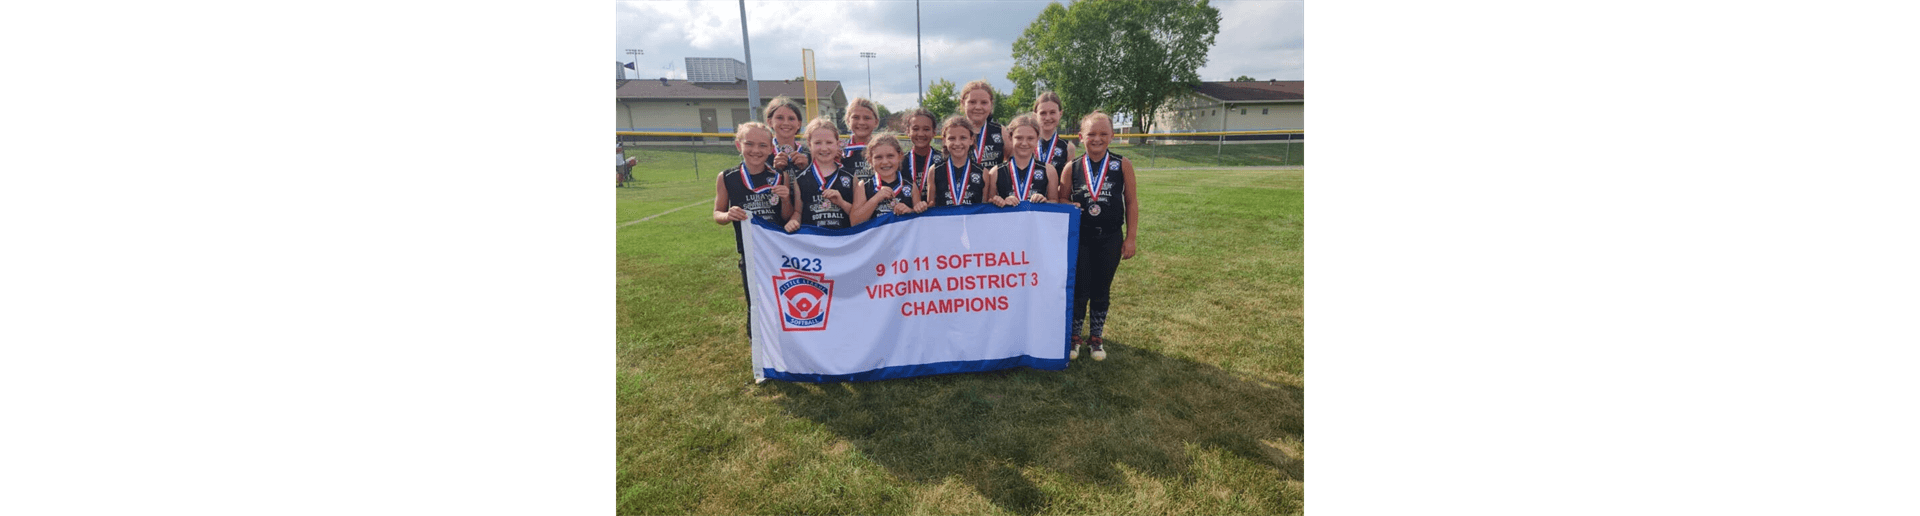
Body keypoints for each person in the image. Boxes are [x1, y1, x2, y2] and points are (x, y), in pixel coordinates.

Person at [1061, 111, 1140, 361]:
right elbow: (1062, 197)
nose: (1097, 138)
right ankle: (1074, 338)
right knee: (1080, 288)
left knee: (1101, 289)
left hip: (1110, 237)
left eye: (1103, 133)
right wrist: (1068, 204)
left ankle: (1096, 338)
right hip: (1081, 238)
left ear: (1112, 136)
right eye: (1091, 134)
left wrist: (1131, 238)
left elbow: (1131, 201)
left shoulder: (1121, 164)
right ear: (1081, 137)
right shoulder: (1071, 167)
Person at [711, 122, 796, 340]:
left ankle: (784, 340)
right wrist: (728, 215)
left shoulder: (779, 177)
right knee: (755, 301)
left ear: (770, 149)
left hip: (777, 253)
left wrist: (786, 198)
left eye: (762, 145)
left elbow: (786, 217)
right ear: (739, 145)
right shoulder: (727, 177)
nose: (755, 150)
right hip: (749, 253)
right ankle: (757, 349)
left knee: (781, 298)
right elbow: (717, 214)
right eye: (749, 144)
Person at [786, 118, 858, 230]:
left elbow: (858, 215)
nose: (824, 148)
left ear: (838, 144)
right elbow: (798, 212)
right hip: (814, 243)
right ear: (809, 145)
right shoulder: (800, 178)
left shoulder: (851, 175)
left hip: (844, 241)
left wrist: (841, 203)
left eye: (829, 142)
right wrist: (793, 221)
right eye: (818, 143)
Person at [985, 114, 1060, 207]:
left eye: (1030, 138)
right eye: (1019, 138)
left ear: (1037, 139)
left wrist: (1044, 201)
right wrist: (999, 201)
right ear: (1010, 138)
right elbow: (988, 204)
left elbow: (1055, 202)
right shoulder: (995, 172)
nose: (1024, 143)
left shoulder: (1049, 170)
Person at [849, 130, 917, 225]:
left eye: (890, 156)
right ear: (870, 160)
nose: (885, 162)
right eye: (878, 157)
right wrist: (876, 198)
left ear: (900, 156)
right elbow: (854, 222)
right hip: (876, 239)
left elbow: (919, 223)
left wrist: (910, 211)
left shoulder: (911, 185)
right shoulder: (863, 186)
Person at [922, 115, 986, 209]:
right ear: (944, 141)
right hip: (944, 223)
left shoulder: (983, 172)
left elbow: (986, 209)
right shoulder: (934, 170)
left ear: (971, 140)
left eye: (963, 138)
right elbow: (931, 205)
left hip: (972, 223)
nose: (957, 143)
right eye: (952, 138)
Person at [898, 108, 946, 210]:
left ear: (934, 132)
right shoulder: (899, 162)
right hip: (906, 219)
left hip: (937, 218)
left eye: (926, 129)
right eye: (915, 129)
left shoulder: (944, 160)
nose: (920, 134)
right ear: (908, 131)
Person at [1032, 91, 1077, 194]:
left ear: (1060, 114)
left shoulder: (1068, 148)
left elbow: (1067, 184)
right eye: (1043, 113)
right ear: (1035, 115)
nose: (1048, 118)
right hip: (1028, 201)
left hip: (1054, 204)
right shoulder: (1026, 143)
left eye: (1052, 112)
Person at [958, 80, 1006, 173]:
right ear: (963, 103)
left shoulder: (1000, 131)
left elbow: (1012, 160)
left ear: (991, 104)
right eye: (972, 102)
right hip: (963, 186)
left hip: (993, 186)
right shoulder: (955, 130)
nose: (978, 107)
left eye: (984, 102)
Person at [764, 96, 810, 173]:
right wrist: (773, 171)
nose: (786, 123)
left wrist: (807, 169)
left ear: (799, 124)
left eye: (791, 119)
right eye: (780, 118)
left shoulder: (809, 154)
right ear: (770, 122)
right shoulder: (763, 153)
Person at [840, 98, 881, 181]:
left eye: (867, 118)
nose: (861, 122)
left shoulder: (883, 149)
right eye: (856, 117)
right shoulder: (840, 151)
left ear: (876, 122)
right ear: (848, 121)